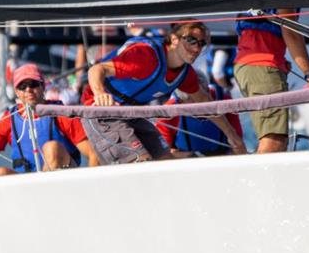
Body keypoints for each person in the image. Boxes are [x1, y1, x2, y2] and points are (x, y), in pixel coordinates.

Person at [83, 20, 246, 164]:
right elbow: (96, 69)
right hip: (102, 110)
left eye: (201, 43)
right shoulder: (145, 55)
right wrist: (100, 93)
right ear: (174, 39)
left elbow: (206, 104)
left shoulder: (186, 74)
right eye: (191, 40)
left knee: (166, 162)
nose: (197, 48)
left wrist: (234, 137)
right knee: (141, 162)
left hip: (130, 112)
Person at [0, 64, 98, 175]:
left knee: (51, 148)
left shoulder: (61, 113)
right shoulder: (9, 119)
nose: (28, 89)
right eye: (22, 86)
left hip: (63, 179)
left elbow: (93, 154)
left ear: (42, 86)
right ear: (17, 92)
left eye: (33, 84)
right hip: (27, 181)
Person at [234, 8, 309, 153]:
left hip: (249, 66)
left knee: (272, 138)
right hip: (262, 67)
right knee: (274, 141)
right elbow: (291, 32)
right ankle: (254, 176)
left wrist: (280, 61)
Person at [155, 74, 243, 157]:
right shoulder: (168, 111)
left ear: (208, 94)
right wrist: (193, 156)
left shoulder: (224, 100)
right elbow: (163, 154)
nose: (199, 107)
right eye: (192, 102)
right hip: (187, 162)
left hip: (222, 158)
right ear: (181, 101)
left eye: (201, 100)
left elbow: (239, 145)